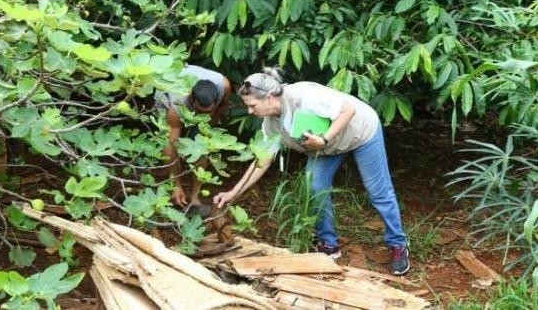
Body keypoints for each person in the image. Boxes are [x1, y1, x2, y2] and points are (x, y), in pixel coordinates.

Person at [212, 67, 410, 275]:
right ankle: (328, 244)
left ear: (269, 98)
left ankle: (397, 244)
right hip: (326, 147)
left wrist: (324, 139)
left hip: (360, 131)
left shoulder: (303, 95)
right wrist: (232, 193)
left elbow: (348, 110)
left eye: (252, 105)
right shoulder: (271, 123)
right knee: (314, 187)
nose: (251, 111)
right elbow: (262, 161)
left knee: (378, 191)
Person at [155, 65, 232, 216]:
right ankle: (175, 190)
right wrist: (175, 184)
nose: (202, 115)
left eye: (207, 112)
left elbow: (223, 106)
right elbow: (170, 143)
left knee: (200, 147)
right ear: (191, 99)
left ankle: (194, 196)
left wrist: (207, 128)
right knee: (170, 140)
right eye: (199, 111)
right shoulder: (177, 103)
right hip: (167, 90)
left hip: (196, 95)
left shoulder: (224, 85)